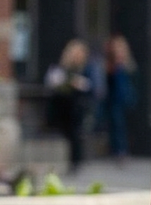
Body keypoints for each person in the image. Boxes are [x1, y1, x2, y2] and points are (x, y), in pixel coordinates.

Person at [44, 39, 97, 171]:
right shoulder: (63, 67)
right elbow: (53, 81)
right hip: (63, 105)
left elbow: (93, 86)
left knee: (76, 133)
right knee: (66, 132)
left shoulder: (87, 68)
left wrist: (80, 84)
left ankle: (76, 161)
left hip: (78, 105)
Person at [101, 34, 137, 159]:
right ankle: (116, 149)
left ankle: (121, 150)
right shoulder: (110, 63)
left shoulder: (125, 65)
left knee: (120, 125)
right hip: (111, 98)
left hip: (122, 99)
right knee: (114, 124)